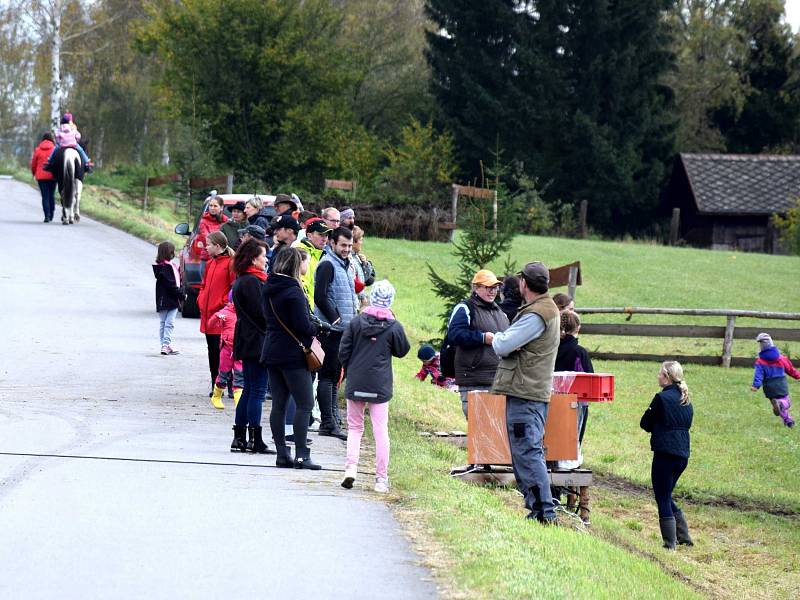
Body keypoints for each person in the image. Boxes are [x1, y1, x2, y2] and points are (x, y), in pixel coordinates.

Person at [490, 262, 560, 524]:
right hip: (531, 391)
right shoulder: (545, 308)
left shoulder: (536, 314)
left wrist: (498, 339)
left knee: (528, 452)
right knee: (527, 451)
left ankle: (544, 512)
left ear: (523, 284)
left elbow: (503, 344)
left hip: (526, 393)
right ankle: (539, 509)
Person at [340, 280, 410, 492]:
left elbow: (343, 351)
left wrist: (349, 370)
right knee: (380, 431)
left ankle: (351, 469)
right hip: (380, 385)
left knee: (355, 428)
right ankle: (381, 479)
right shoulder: (393, 326)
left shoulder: (356, 322)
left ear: (371, 297)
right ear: (390, 301)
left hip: (357, 380)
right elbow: (402, 350)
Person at [262, 247, 322, 470]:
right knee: (305, 404)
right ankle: (301, 455)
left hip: (271, 351)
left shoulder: (268, 287)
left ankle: (281, 454)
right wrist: (315, 326)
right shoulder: (293, 291)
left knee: (279, 404)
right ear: (296, 265)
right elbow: (303, 326)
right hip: (293, 354)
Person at [640, 361, 694, 550]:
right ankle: (684, 536)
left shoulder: (661, 399)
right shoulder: (685, 398)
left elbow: (644, 423)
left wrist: (658, 426)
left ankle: (670, 544)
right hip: (682, 455)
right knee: (666, 494)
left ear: (667, 377)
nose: (657, 377)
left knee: (662, 497)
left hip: (665, 453)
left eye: (660, 374)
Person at [230, 239, 275, 455]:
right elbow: (262, 314)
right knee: (256, 390)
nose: (266, 259)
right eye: (263, 256)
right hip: (256, 340)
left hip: (247, 338)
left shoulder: (243, 279)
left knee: (249, 389)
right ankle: (254, 439)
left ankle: (239, 437)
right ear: (253, 258)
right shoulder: (252, 281)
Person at [314, 226, 359, 439]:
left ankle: (333, 418)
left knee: (334, 376)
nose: (347, 249)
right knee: (327, 375)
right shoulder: (327, 265)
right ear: (332, 243)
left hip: (343, 331)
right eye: (343, 245)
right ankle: (327, 421)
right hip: (330, 331)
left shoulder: (346, 265)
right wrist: (335, 318)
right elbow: (320, 296)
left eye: (349, 246)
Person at [447, 269, 509, 418]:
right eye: (488, 287)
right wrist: (482, 338)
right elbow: (455, 334)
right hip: (474, 382)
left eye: (495, 287)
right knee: (480, 431)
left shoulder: (500, 312)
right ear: (476, 287)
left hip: (497, 381)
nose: (493, 291)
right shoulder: (465, 308)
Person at [197, 231, 235, 399]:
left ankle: (230, 384)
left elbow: (234, 287)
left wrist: (224, 304)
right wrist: (201, 299)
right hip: (208, 314)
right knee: (212, 351)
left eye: (208, 244)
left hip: (222, 315)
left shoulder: (230, 263)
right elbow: (204, 285)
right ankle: (215, 383)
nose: (206, 247)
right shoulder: (210, 263)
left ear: (218, 246)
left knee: (226, 351)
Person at [555, 311, 594, 445]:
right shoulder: (579, 352)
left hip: (550, 397)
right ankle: (569, 459)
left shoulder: (550, 348)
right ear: (577, 327)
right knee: (573, 433)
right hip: (575, 400)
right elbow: (589, 378)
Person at [751, 332, 799, 427]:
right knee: (786, 402)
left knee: (777, 405)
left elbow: (758, 375)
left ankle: (788, 420)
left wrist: (755, 386)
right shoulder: (781, 358)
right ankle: (781, 405)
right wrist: (798, 376)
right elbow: (790, 370)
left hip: (769, 388)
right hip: (780, 384)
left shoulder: (760, 362)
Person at [207, 295, 243, 409]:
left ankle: (239, 403)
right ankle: (216, 396)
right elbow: (210, 325)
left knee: (240, 376)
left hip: (240, 350)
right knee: (223, 375)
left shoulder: (245, 313)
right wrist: (217, 317)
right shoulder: (225, 312)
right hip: (227, 349)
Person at [152, 241, 184, 356]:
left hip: (162, 299)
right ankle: (165, 344)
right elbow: (171, 285)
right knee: (169, 323)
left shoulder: (163, 267)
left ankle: (165, 344)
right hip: (171, 299)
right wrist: (181, 295)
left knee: (164, 322)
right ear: (170, 253)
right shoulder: (167, 268)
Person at [293, 217, 330, 308]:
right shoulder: (300, 253)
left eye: (326, 235)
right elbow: (302, 284)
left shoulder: (322, 253)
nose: (324, 239)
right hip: (307, 309)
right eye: (321, 234)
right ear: (309, 236)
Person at [30, 132, 57, 222]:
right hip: (52, 175)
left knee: (45, 196)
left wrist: (33, 173)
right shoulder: (54, 149)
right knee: (51, 195)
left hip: (41, 177)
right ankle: (52, 213)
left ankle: (47, 216)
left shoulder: (38, 150)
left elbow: (33, 163)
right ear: (51, 139)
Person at [197, 195, 228, 262]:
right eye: (210, 206)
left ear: (221, 207)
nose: (212, 208)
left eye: (215, 206)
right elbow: (206, 238)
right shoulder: (203, 220)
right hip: (207, 258)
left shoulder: (226, 221)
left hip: (223, 258)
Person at [350, 225, 375, 305]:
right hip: (355, 301)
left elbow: (365, 278)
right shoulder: (350, 260)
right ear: (353, 242)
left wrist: (365, 264)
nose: (362, 243)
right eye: (360, 240)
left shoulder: (357, 257)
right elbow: (354, 282)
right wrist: (363, 297)